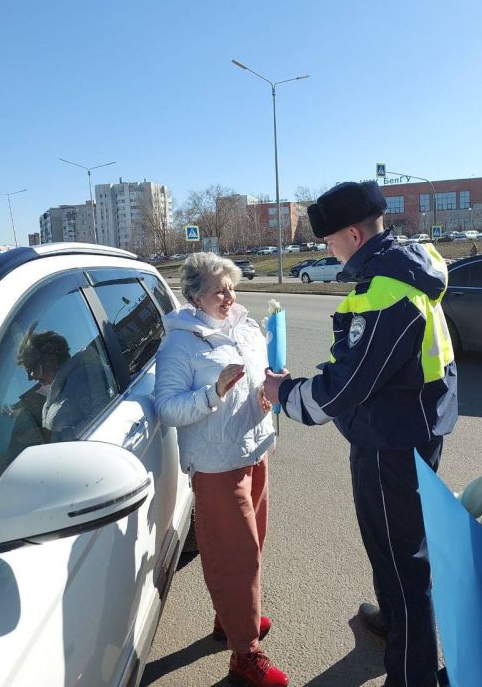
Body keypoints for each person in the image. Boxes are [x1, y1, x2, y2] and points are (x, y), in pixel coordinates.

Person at [264, 181, 458, 687]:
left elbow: (338, 391)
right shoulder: (408, 269)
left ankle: (413, 674)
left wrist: (282, 393)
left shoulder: (385, 293)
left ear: (353, 233)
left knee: (402, 562)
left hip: (389, 444)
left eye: (330, 240)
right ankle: (395, 622)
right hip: (411, 429)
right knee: (393, 548)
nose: (326, 249)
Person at [154, 252, 288, 687]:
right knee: (236, 555)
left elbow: (255, 380)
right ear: (195, 295)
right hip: (216, 466)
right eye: (218, 290)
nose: (229, 296)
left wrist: (265, 392)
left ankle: (230, 618)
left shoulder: (246, 327)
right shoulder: (181, 341)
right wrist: (213, 392)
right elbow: (168, 408)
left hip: (255, 449)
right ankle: (244, 656)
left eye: (231, 287)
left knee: (251, 546)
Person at [16, 324, 110, 441]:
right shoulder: (56, 392)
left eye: (32, 369)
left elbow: (105, 421)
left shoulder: (82, 377)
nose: (31, 378)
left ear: (51, 359)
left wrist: (53, 436)